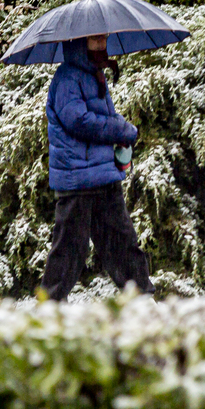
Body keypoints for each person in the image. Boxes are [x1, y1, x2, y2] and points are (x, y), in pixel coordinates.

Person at [40, 33, 155, 301]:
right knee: (69, 250)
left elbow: (102, 118)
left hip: (103, 176)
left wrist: (121, 130)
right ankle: (48, 310)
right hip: (77, 180)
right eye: (94, 39)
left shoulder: (94, 74)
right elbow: (78, 120)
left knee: (123, 244)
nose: (101, 44)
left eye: (103, 38)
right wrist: (120, 128)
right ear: (79, 41)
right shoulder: (67, 77)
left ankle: (143, 300)